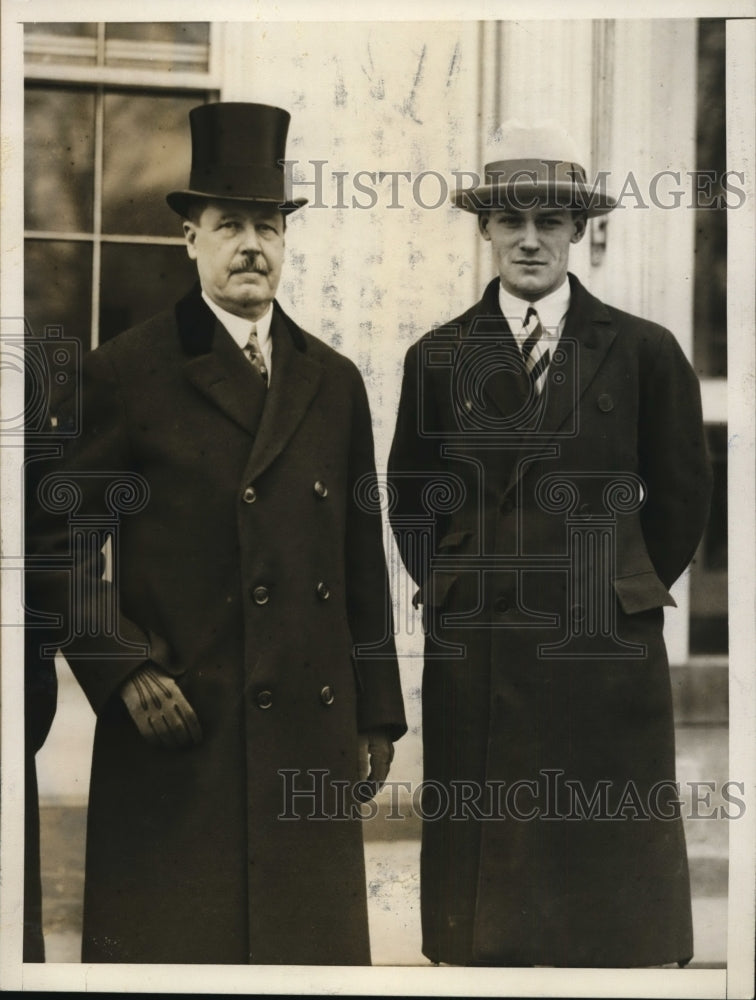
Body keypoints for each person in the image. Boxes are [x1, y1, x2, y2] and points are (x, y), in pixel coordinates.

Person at [27, 101, 406, 965]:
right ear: (187, 240)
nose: (252, 246)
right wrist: (121, 668)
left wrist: (375, 715)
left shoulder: (333, 380)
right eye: (229, 224)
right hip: (180, 731)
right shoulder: (127, 371)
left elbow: (359, 556)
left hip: (306, 736)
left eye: (268, 226)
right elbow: (56, 540)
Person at [387, 121, 712, 967]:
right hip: (482, 649)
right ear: (486, 229)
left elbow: (681, 499)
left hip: (603, 649)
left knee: (605, 901)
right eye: (512, 220)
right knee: (486, 918)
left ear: (579, 231)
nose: (530, 239)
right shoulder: (438, 357)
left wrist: (616, 585)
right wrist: (462, 585)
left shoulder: (643, 351)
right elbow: (413, 499)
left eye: (552, 220)